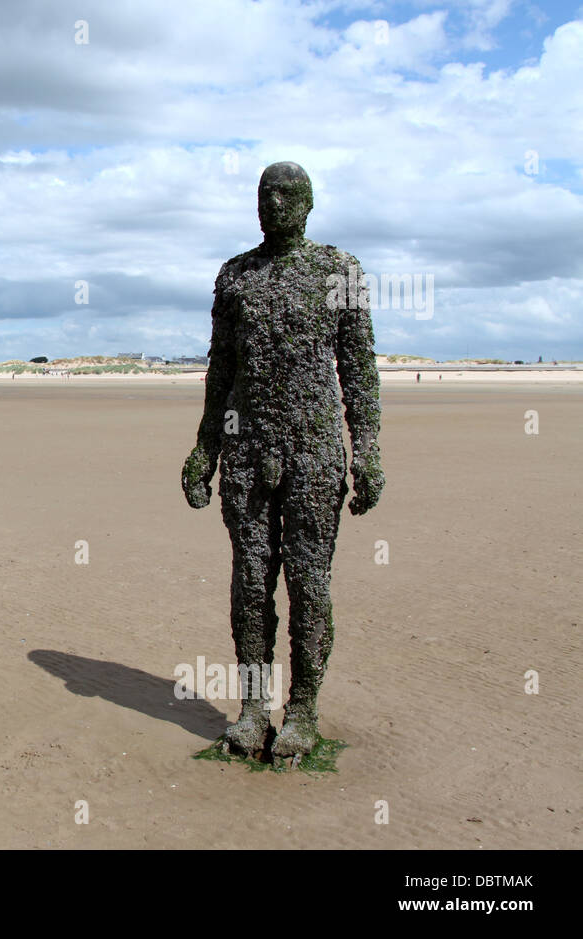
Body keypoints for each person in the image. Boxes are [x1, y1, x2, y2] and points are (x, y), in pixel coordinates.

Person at [182, 162, 384, 761]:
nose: (274, 203)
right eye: (265, 194)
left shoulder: (337, 272)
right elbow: (221, 370)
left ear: (309, 204)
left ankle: (302, 710)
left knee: (309, 582)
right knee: (249, 583)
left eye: (287, 194)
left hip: (314, 450)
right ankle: (250, 709)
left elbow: (359, 369)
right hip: (247, 452)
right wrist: (205, 447)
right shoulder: (235, 276)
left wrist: (366, 450)